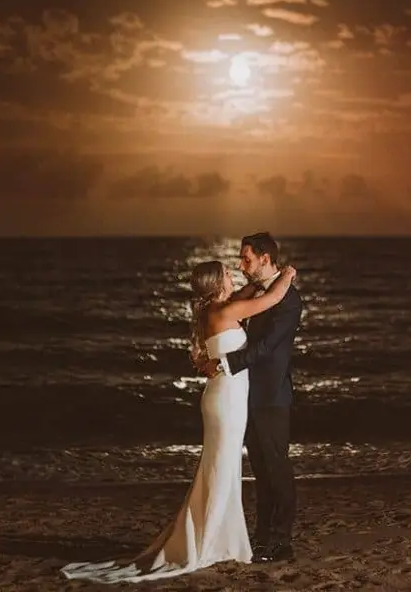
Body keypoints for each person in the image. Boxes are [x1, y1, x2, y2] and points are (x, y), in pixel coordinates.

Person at [60, 259, 297, 583]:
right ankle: (212, 540)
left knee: (222, 468)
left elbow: (251, 291)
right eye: (228, 273)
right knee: (221, 468)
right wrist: (286, 275)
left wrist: (260, 279)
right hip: (226, 401)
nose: (234, 273)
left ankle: (221, 537)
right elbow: (270, 300)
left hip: (225, 397)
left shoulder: (216, 309)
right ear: (217, 284)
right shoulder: (225, 312)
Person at [198, 231, 303, 563]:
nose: (241, 265)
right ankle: (260, 537)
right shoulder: (255, 295)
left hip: (271, 397)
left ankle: (281, 541)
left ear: (265, 259)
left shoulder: (288, 299)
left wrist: (225, 363)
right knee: (260, 469)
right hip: (243, 397)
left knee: (277, 468)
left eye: (246, 259)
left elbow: (267, 346)